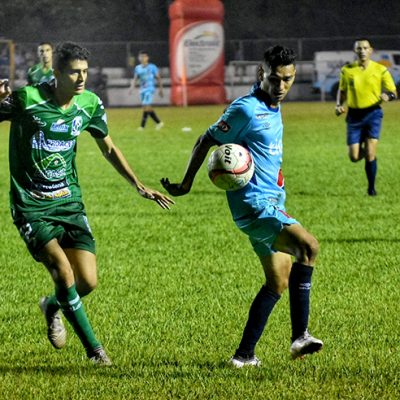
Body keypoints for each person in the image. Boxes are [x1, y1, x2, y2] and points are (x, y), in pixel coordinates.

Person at [0, 42, 174, 366]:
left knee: (88, 282)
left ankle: (52, 305)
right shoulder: (28, 99)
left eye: (84, 72)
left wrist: (138, 185)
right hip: (31, 206)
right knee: (63, 273)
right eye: (73, 72)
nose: (81, 78)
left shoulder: (89, 104)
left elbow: (108, 148)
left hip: (70, 203)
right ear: (57, 73)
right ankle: (96, 352)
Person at [161, 46, 323, 367]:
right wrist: (186, 183)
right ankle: (300, 336)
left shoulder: (272, 105)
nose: (281, 86)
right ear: (261, 73)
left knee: (277, 282)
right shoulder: (246, 110)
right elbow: (206, 140)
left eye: (288, 79)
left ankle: (244, 356)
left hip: (271, 203)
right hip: (256, 207)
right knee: (308, 247)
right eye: (274, 79)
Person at [335, 39, 397, 196]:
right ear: (355, 51)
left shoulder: (380, 69)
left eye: (365, 48)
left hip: (373, 114)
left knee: (370, 154)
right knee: (354, 156)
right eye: (359, 48)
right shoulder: (347, 70)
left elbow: (393, 92)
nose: (362, 51)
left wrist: (388, 96)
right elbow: (342, 91)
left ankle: (371, 189)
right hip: (354, 116)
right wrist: (338, 105)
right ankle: (368, 151)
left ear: (371, 50)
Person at [130, 50, 164, 131]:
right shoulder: (137, 68)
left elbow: (158, 78)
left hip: (150, 89)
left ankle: (142, 126)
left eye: (144, 56)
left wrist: (161, 89)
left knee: (146, 106)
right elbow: (135, 79)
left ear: (147, 58)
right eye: (141, 56)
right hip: (142, 90)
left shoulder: (152, 67)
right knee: (146, 108)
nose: (142, 58)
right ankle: (158, 123)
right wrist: (132, 87)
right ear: (139, 58)